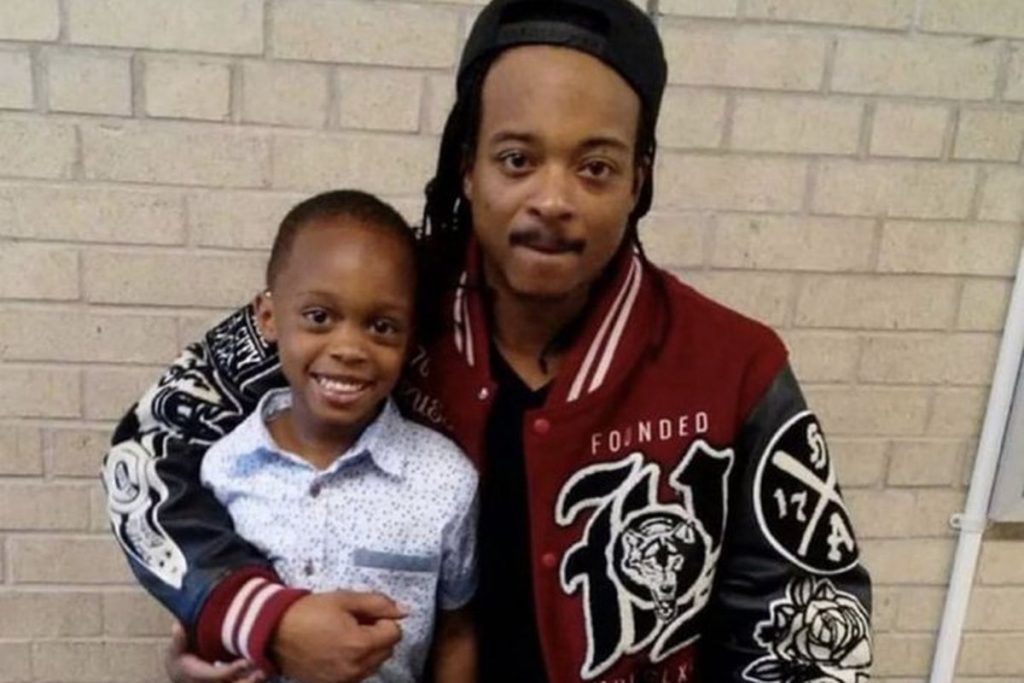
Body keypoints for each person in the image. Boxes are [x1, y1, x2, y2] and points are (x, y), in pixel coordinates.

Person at [102, 1, 873, 682]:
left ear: (638, 180)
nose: (552, 198)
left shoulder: (735, 366)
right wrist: (244, 611)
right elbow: (148, 449)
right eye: (516, 159)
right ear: (466, 165)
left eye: (596, 167)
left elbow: (811, 622)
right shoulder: (376, 302)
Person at [193, 190, 477, 683]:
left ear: (411, 336)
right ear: (268, 317)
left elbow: (458, 630)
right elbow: (202, 620)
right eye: (319, 317)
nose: (349, 348)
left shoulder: (446, 480)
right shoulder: (223, 469)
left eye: (382, 326)